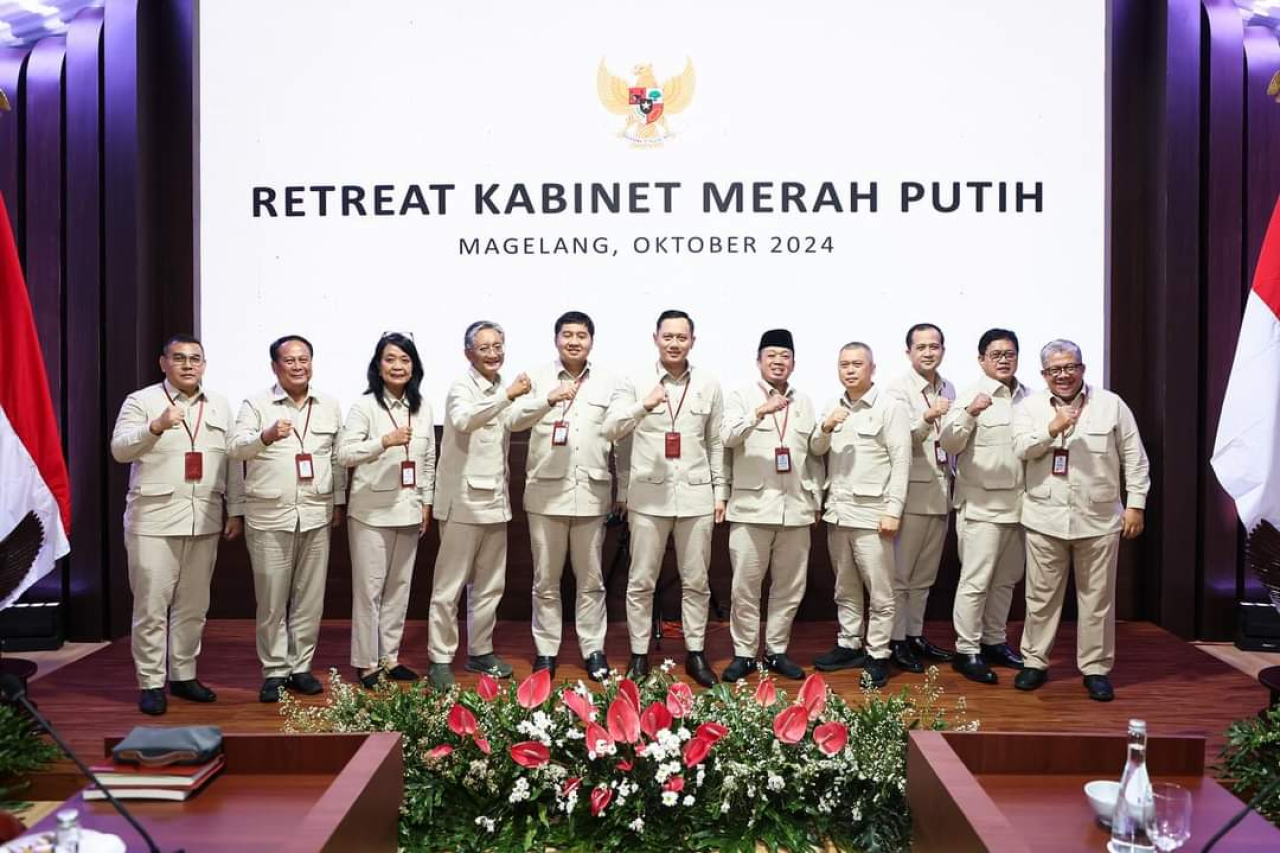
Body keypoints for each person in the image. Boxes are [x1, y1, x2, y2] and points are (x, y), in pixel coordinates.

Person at [110, 334, 243, 715]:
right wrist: (155, 426)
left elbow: (231, 461)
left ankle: (183, 675)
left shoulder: (218, 404)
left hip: (203, 519)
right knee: (151, 606)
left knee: (193, 606)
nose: (188, 365)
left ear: (204, 365)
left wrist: (235, 509)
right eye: (179, 358)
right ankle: (151, 682)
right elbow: (120, 450)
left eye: (196, 359)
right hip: (153, 521)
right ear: (163, 363)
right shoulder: (142, 401)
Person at [1012, 339, 1150, 702]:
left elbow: (1134, 457)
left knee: (1097, 599)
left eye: (1070, 367)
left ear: (1083, 369)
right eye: (1055, 370)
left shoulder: (1111, 405)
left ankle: (1096, 669)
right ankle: (1034, 662)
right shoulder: (1030, 408)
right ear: (1043, 375)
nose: (1063, 375)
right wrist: (1052, 428)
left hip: (1100, 518)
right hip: (1045, 517)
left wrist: (1136, 504)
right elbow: (1021, 449)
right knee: (1040, 598)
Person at [604, 309, 726, 687]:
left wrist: (720, 491)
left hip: (696, 498)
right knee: (641, 580)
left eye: (682, 337)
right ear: (655, 337)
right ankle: (639, 655)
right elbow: (611, 432)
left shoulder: (708, 383)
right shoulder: (634, 382)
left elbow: (716, 442)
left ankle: (696, 653)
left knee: (697, 581)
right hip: (648, 497)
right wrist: (644, 405)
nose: (674, 343)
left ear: (693, 341)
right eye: (668, 336)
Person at [508, 311, 627, 681]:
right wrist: (547, 399)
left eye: (581, 335)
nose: (574, 341)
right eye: (567, 335)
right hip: (546, 494)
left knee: (591, 579)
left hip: (591, 494)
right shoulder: (536, 377)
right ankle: (546, 651)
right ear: (556, 338)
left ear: (592, 340)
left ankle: (593, 649)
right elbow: (513, 420)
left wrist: (622, 485)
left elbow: (620, 438)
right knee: (546, 579)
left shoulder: (610, 381)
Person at [230, 335, 346, 703]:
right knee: (272, 599)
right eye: (289, 360)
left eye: (304, 359)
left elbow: (335, 460)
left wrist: (338, 501)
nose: (298, 366)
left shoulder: (328, 405)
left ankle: (301, 667)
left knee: (310, 599)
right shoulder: (256, 403)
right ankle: (275, 670)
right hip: (269, 516)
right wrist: (265, 436)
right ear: (274, 367)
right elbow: (235, 448)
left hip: (315, 512)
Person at [428, 321, 532, 690]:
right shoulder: (462, 386)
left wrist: (547, 400)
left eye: (499, 345)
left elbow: (514, 421)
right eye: (485, 348)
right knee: (449, 586)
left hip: (496, 502)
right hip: (463, 504)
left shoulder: (500, 387)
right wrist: (509, 396)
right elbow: (463, 419)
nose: (494, 353)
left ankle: (480, 651)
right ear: (469, 353)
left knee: (490, 585)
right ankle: (440, 658)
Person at [720, 329, 823, 682]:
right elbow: (727, 438)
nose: (778, 362)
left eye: (785, 356)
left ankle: (777, 650)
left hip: (795, 508)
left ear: (793, 362)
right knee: (745, 586)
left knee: (789, 586)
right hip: (751, 508)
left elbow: (811, 455)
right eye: (771, 356)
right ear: (759, 360)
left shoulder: (805, 401)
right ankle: (744, 653)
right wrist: (759, 412)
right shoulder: (739, 395)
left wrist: (816, 498)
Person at [336, 333, 436, 689]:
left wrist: (427, 502)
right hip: (371, 513)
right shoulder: (365, 407)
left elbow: (427, 459)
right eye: (390, 359)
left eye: (405, 360)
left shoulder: (422, 407)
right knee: (370, 591)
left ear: (414, 366)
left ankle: (389, 658)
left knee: (399, 589)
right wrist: (383, 442)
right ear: (378, 365)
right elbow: (344, 455)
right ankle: (365, 664)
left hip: (408, 509)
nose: (398, 366)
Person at [813, 342, 911, 687]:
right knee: (845, 587)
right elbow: (816, 448)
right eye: (844, 364)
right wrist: (825, 427)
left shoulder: (890, 407)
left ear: (872, 368)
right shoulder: (832, 405)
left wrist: (894, 510)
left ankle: (878, 653)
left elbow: (902, 462)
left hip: (873, 515)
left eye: (857, 364)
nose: (850, 370)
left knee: (881, 592)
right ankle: (849, 643)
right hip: (838, 513)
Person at [938, 328, 1028, 684]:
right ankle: (967, 649)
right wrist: (970, 413)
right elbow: (949, 443)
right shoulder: (969, 397)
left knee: (1006, 582)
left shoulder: (1031, 400)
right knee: (975, 582)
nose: (1004, 359)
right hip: (980, 507)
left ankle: (994, 641)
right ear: (982, 360)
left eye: (1010, 354)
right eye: (996, 354)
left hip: (1020, 507)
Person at [885, 322, 956, 673]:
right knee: (901, 575)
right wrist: (928, 417)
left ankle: (914, 634)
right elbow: (902, 439)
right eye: (921, 347)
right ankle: (895, 639)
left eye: (935, 346)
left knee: (925, 576)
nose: (929, 352)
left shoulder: (949, 387)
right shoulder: (897, 390)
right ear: (908, 351)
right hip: (911, 494)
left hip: (942, 492)